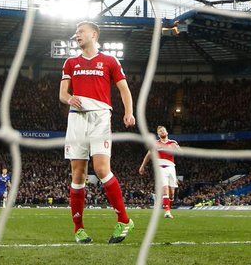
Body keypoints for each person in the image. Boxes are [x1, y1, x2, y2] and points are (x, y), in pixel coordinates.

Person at [60, 21, 136, 244]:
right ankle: (79, 228)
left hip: (100, 117)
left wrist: (128, 112)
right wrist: (69, 98)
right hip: (76, 118)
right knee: (78, 174)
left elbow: (124, 89)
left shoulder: (110, 61)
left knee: (102, 169)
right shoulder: (70, 63)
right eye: (75, 32)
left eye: (80, 31)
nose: (76, 35)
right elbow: (62, 94)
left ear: (94, 34)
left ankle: (124, 220)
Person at [139, 126, 179, 219]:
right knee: (165, 188)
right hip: (160, 168)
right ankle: (167, 212)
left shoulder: (173, 142)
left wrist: (176, 149)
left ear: (167, 132)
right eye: (160, 131)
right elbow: (148, 155)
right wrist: (142, 166)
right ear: (158, 134)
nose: (162, 132)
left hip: (171, 167)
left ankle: (170, 202)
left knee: (172, 192)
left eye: (163, 130)